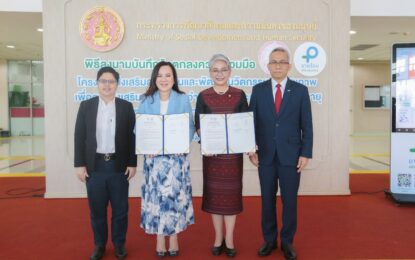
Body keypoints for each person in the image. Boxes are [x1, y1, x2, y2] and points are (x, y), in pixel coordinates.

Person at [249, 46, 313, 260]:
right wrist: (251, 149)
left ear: (289, 65)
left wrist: (305, 153)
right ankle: (268, 240)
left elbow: (307, 125)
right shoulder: (258, 90)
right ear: (268, 66)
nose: (278, 65)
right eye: (274, 62)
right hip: (265, 156)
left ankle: (287, 242)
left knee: (289, 201)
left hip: (291, 156)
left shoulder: (301, 91)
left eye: (282, 62)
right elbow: (251, 124)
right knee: (267, 200)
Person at [74, 66, 137, 260]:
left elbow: (132, 137)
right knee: (97, 210)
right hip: (95, 167)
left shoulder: (126, 107)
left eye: (111, 81)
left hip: (118, 167)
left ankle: (119, 244)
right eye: (103, 81)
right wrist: (79, 164)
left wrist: (132, 163)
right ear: (97, 83)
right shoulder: (86, 106)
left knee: (120, 210)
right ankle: (99, 245)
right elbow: (79, 136)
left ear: (117, 84)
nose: (107, 85)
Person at [138, 61, 195, 258]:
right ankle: (160, 237)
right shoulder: (146, 100)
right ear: (155, 78)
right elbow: (139, 127)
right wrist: (147, 146)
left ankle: (174, 237)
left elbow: (189, 125)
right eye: (160, 75)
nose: (164, 79)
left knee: (174, 200)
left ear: (174, 78)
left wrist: (182, 144)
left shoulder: (182, 98)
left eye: (168, 75)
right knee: (157, 199)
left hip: (176, 160)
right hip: (154, 161)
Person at [195, 54, 249, 258]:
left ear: (230, 72)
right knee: (216, 200)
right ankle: (218, 238)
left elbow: (245, 124)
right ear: (210, 73)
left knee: (231, 199)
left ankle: (230, 239)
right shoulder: (203, 96)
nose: (219, 74)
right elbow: (198, 125)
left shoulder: (239, 94)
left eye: (223, 70)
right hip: (213, 156)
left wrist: (249, 146)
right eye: (215, 70)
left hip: (233, 157)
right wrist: (207, 140)